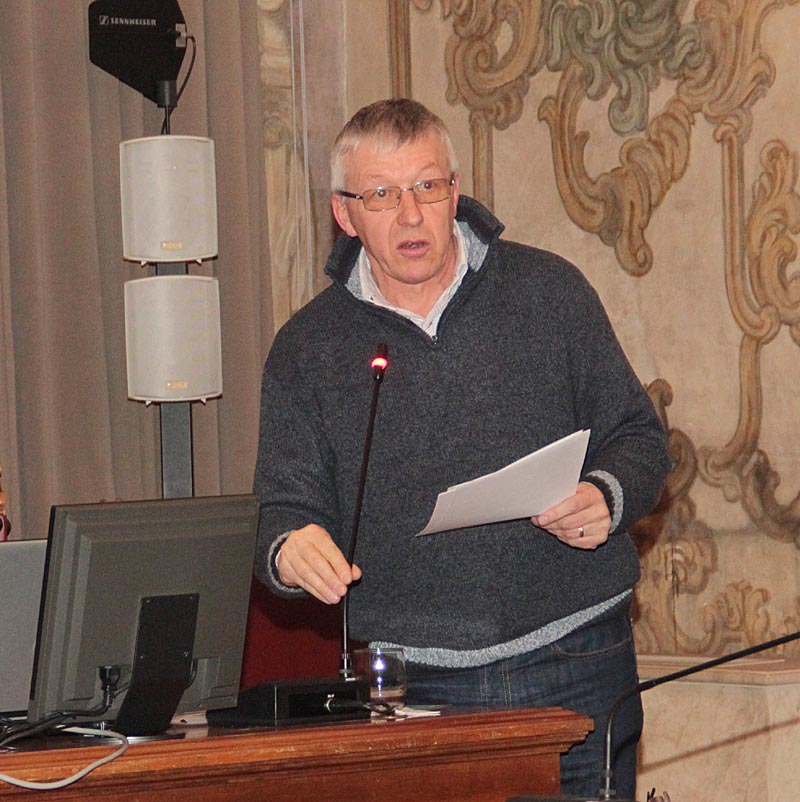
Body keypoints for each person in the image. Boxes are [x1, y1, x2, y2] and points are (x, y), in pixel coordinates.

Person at [253, 98, 670, 799]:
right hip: (415, 684)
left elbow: (640, 437)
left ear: (455, 191)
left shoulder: (549, 291)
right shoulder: (307, 349)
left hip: (577, 656)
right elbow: (281, 513)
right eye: (381, 195)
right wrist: (290, 549)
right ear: (344, 214)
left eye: (428, 186)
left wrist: (607, 495)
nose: (410, 216)